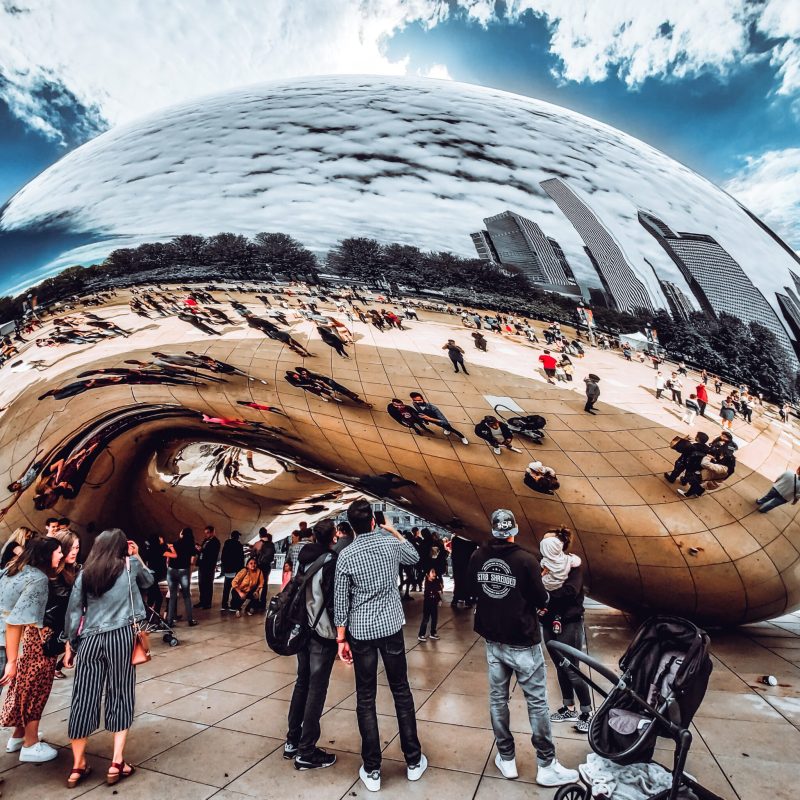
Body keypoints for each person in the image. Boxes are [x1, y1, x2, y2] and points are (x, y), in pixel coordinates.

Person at [467, 510, 578, 786]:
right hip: (523, 642)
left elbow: (471, 588)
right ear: (513, 530)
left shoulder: (478, 556)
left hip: (493, 641)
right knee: (537, 703)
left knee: (497, 700)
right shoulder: (527, 560)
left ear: (494, 530)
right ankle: (546, 764)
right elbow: (542, 598)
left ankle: (506, 759)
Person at [334, 499, 427, 792]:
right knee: (401, 690)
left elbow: (341, 601)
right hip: (390, 628)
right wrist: (393, 530)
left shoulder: (346, 555)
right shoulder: (389, 544)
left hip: (361, 631)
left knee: (365, 697)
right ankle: (413, 761)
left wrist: (340, 638)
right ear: (374, 521)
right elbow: (414, 556)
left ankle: (372, 769)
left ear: (351, 526)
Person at [63, 529, 154, 788]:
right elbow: (149, 582)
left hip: (90, 640)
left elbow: (73, 611)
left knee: (83, 696)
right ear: (122, 546)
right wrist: (137, 556)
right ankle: (116, 762)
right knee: (121, 692)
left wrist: (70, 642)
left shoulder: (86, 572)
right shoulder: (129, 566)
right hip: (122, 637)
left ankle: (77, 765)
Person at [285, 518, 346, 770]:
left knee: (302, 683)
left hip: (303, 631)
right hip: (322, 633)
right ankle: (306, 751)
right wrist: (343, 634)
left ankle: (292, 741)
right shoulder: (331, 561)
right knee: (316, 689)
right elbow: (334, 601)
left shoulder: (304, 557)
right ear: (332, 537)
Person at [0, 536, 63, 763]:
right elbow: (16, 622)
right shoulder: (38, 579)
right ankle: (30, 743)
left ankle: (19, 736)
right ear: (47, 555)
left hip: (7, 641)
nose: (62, 556)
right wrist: (12, 660)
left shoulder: (10, 570)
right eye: (58, 552)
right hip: (15, 643)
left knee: (22, 691)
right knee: (33, 690)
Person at [540, 529, 593, 733]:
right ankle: (569, 707)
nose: (543, 543)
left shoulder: (573, 566)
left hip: (569, 623)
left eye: (547, 540)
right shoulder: (543, 565)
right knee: (560, 667)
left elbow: (570, 592)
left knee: (572, 669)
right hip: (548, 622)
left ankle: (587, 712)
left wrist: (545, 597)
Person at [164, 527, 198, 628]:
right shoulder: (191, 546)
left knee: (173, 596)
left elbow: (168, 558)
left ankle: (170, 622)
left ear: (182, 534)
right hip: (184, 571)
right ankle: (190, 620)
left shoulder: (174, 543)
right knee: (187, 596)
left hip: (171, 571)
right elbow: (192, 561)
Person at [250, 527, 276, 609]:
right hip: (267, 566)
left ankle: (255, 601)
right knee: (265, 584)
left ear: (259, 534)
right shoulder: (271, 544)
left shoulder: (258, 543)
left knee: (256, 584)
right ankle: (263, 603)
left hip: (259, 566)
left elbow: (252, 555)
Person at [195, 525, 220, 609]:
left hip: (209, 566)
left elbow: (211, 554)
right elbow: (202, 551)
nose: (206, 535)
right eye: (205, 533)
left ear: (213, 532)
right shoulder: (205, 540)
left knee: (208, 584)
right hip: (202, 565)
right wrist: (198, 549)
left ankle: (207, 603)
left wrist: (201, 549)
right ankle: (202, 601)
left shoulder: (216, 542)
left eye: (208, 533)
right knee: (201, 584)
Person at [220, 531, 245, 611]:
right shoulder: (239, 545)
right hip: (236, 570)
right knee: (235, 588)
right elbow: (241, 559)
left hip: (228, 570)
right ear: (237, 537)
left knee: (226, 588)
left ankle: (224, 605)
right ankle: (233, 605)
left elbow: (223, 557)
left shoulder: (226, 544)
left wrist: (224, 568)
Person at [417, 568, 443, 642]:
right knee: (426, 619)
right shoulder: (427, 582)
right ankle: (421, 634)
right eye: (432, 572)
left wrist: (439, 599)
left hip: (434, 603)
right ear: (428, 575)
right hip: (428, 604)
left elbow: (437, 591)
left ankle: (433, 633)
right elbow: (434, 590)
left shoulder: (435, 581)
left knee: (434, 618)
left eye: (435, 572)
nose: (434, 574)